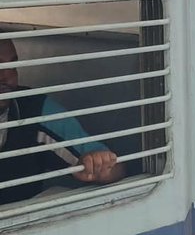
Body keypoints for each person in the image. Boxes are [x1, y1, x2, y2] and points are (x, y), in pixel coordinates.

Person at [0, 39, 125, 205]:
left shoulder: (33, 109)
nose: (6, 76)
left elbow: (114, 167)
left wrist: (99, 166)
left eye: (12, 65)